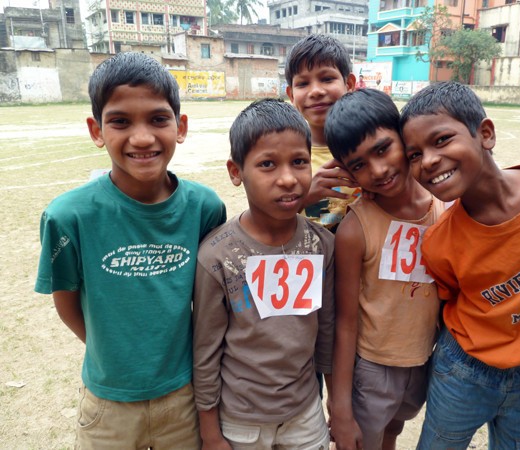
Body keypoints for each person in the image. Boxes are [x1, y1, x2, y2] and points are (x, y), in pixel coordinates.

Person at [34, 52, 226, 449]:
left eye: (158, 119)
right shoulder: (67, 216)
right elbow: (66, 302)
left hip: (185, 397)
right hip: (108, 405)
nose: (142, 138)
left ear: (180, 127)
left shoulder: (205, 208)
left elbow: (211, 300)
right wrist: (116, 355)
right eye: (120, 121)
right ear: (96, 130)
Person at [399, 81, 520, 449]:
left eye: (441, 140)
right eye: (414, 155)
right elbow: (449, 302)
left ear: (486, 134)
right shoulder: (439, 241)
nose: (427, 161)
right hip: (462, 371)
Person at [192, 98, 335, 449]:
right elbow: (205, 350)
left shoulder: (323, 245)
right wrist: (210, 432)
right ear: (236, 172)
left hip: (305, 414)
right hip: (240, 422)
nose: (288, 179)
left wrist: (337, 403)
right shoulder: (217, 255)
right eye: (267, 164)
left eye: (299, 162)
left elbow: (327, 330)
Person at [324, 88, 445, 450]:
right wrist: (339, 407)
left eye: (382, 149)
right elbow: (345, 322)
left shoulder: (444, 208)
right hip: (372, 369)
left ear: (403, 137)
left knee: (393, 431)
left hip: (424, 360)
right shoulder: (354, 230)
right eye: (359, 165)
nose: (378, 170)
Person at [285, 33, 361, 233]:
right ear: (291, 95)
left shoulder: (371, 147)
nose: (316, 91)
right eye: (303, 84)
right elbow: (266, 220)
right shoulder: (283, 157)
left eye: (327, 79)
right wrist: (305, 197)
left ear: (349, 84)